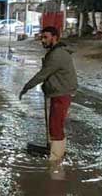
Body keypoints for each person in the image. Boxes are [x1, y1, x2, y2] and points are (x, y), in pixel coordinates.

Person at [20, 26, 77, 161]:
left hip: (61, 94)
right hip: (59, 92)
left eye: (46, 37)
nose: (43, 41)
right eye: (42, 37)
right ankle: (58, 152)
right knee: (55, 125)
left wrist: (26, 87)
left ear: (55, 37)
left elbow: (43, 74)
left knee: (55, 127)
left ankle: (56, 160)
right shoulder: (55, 52)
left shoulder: (57, 55)